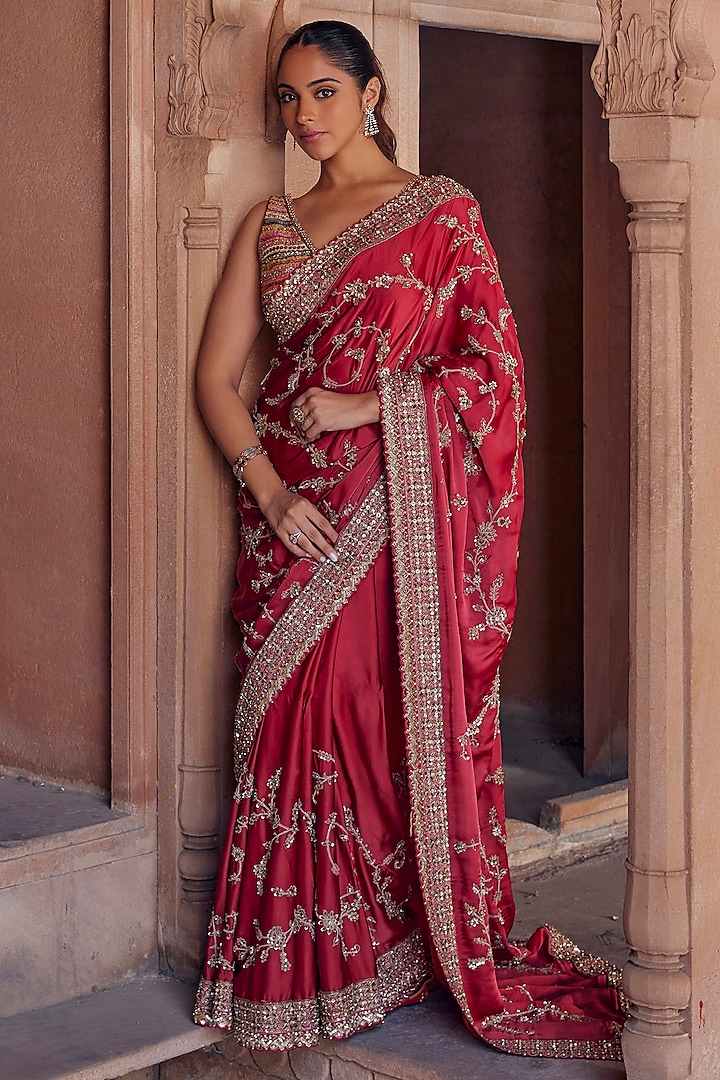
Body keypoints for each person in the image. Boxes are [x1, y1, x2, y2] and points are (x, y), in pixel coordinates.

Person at [192, 19, 625, 1059]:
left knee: (366, 722)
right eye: (290, 98)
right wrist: (263, 489)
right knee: (289, 726)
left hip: (400, 520)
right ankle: (298, 969)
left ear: (373, 91)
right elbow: (215, 380)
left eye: (325, 92)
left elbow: (497, 375)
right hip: (294, 525)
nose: (303, 117)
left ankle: (379, 947)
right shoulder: (273, 224)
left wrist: (368, 405)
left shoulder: (441, 216)